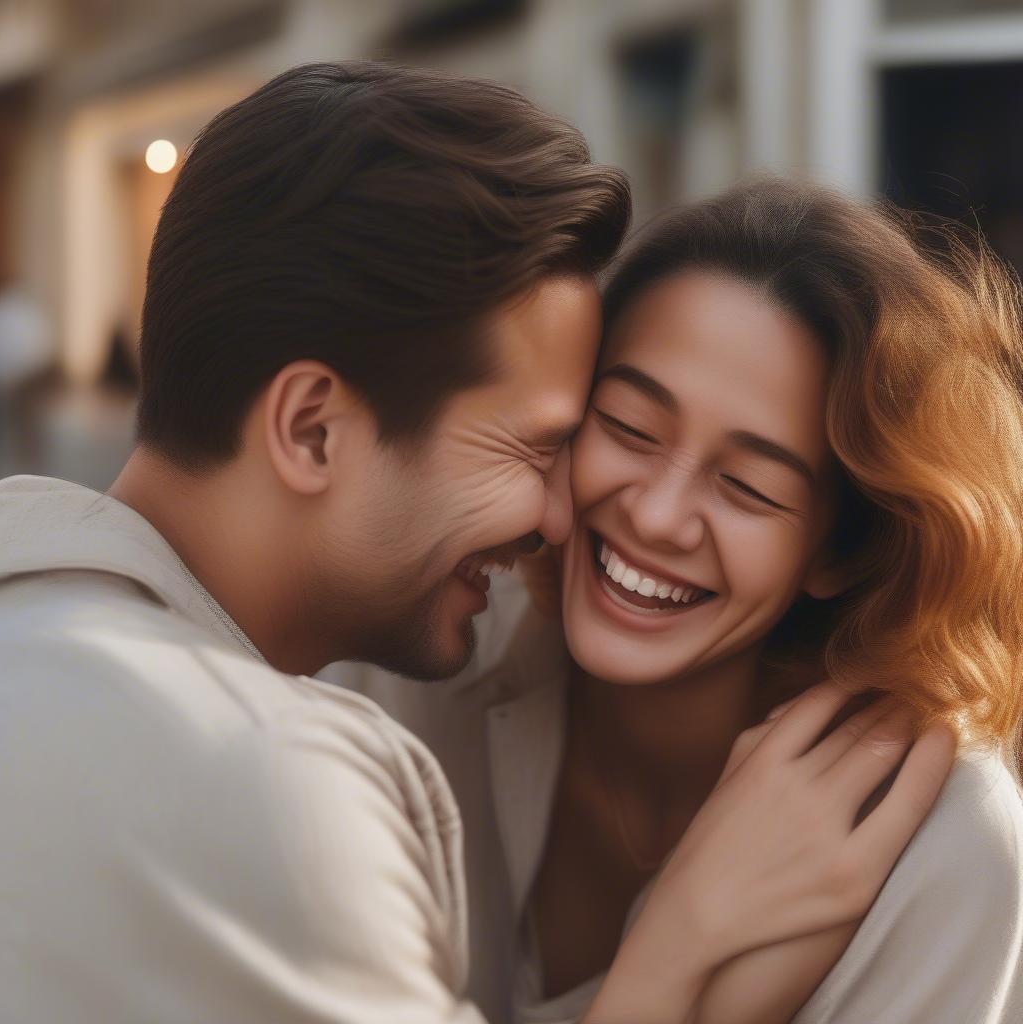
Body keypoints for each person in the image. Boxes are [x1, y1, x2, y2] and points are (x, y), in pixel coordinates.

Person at [0, 65, 953, 1023]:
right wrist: (678, 953)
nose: (558, 513)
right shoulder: (273, 785)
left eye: (749, 485)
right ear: (312, 430)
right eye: (548, 443)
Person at [333, 177, 1023, 1023]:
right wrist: (679, 945)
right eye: (627, 427)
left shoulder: (943, 852)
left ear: (843, 551)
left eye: (747, 486)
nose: (656, 516)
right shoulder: (427, 648)